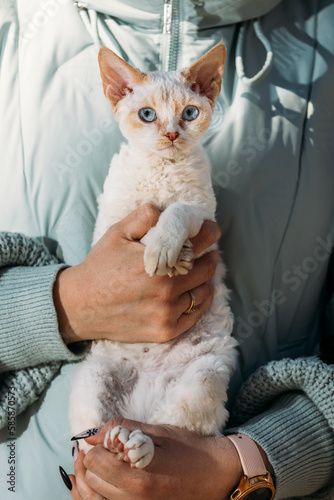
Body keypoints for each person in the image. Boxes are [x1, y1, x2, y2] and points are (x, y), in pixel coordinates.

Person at [0, 0, 333, 499]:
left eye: (189, 112)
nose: (170, 132)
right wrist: (63, 307)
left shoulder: (323, 28)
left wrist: (248, 461)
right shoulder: (12, 24)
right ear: (117, 93)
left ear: (208, 90)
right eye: (150, 115)